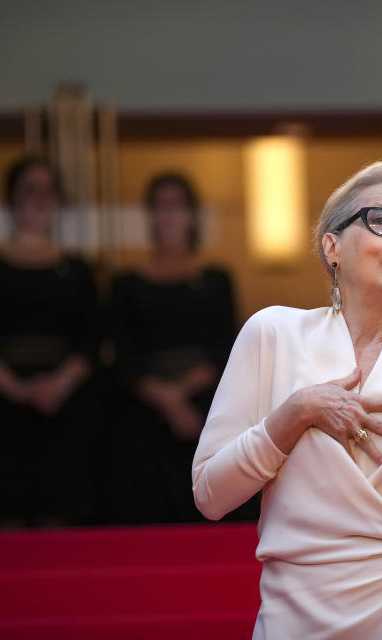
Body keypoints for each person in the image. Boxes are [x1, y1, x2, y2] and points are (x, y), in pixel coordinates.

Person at [192, 161, 382, 639]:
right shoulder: (271, 333)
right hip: (294, 616)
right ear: (331, 245)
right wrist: (296, 413)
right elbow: (210, 495)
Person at [0, 156, 102, 528]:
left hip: (65, 412)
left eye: (48, 190)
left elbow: (91, 338)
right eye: (30, 189)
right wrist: (19, 390)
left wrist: (57, 386)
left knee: (62, 524)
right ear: (11, 198)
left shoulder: (78, 268)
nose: (39, 198)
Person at [106, 173, 243, 524]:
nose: (168, 215)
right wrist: (167, 400)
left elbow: (227, 347)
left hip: (207, 408)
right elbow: (122, 355)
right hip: (142, 413)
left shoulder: (216, 279)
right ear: (149, 216)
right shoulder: (125, 285)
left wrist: (181, 395)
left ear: (192, 215)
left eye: (177, 206)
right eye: (160, 206)